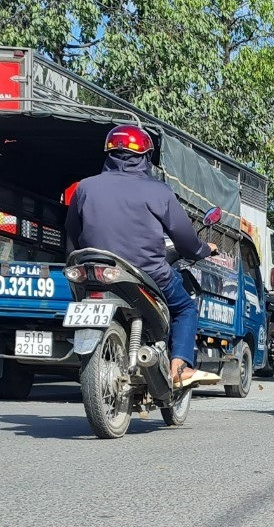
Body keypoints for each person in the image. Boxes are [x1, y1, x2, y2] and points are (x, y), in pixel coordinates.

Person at [64, 124, 221, 388]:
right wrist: (203, 249)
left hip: (93, 270)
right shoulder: (159, 191)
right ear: (145, 156)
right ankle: (180, 367)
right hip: (148, 273)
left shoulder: (85, 188)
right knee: (186, 309)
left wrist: (78, 260)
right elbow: (186, 241)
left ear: (109, 153)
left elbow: (72, 233)